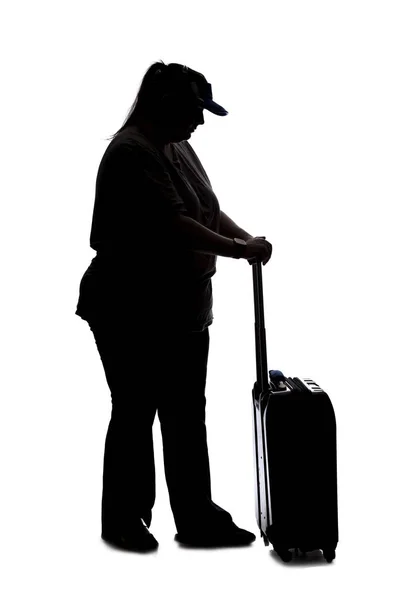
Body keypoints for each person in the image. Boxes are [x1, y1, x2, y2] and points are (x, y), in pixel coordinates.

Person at [75, 61, 273, 552]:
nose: (200, 122)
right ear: (165, 103)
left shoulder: (178, 146)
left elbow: (205, 210)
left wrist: (243, 237)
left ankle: (197, 516)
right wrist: (241, 251)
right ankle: (124, 519)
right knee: (136, 410)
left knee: (186, 414)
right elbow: (174, 225)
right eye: (194, 110)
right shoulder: (131, 154)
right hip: (130, 309)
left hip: (180, 308)